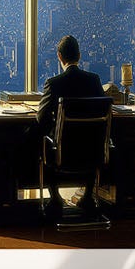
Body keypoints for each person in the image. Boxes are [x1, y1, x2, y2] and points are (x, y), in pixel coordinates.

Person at [37, 34, 106, 216]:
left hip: (63, 151)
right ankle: (88, 196)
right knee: (90, 140)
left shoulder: (54, 84)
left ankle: (55, 198)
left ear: (59, 56)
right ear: (79, 56)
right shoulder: (94, 80)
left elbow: (41, 118)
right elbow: (102, 110)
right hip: (92, 150)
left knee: (41, 141)